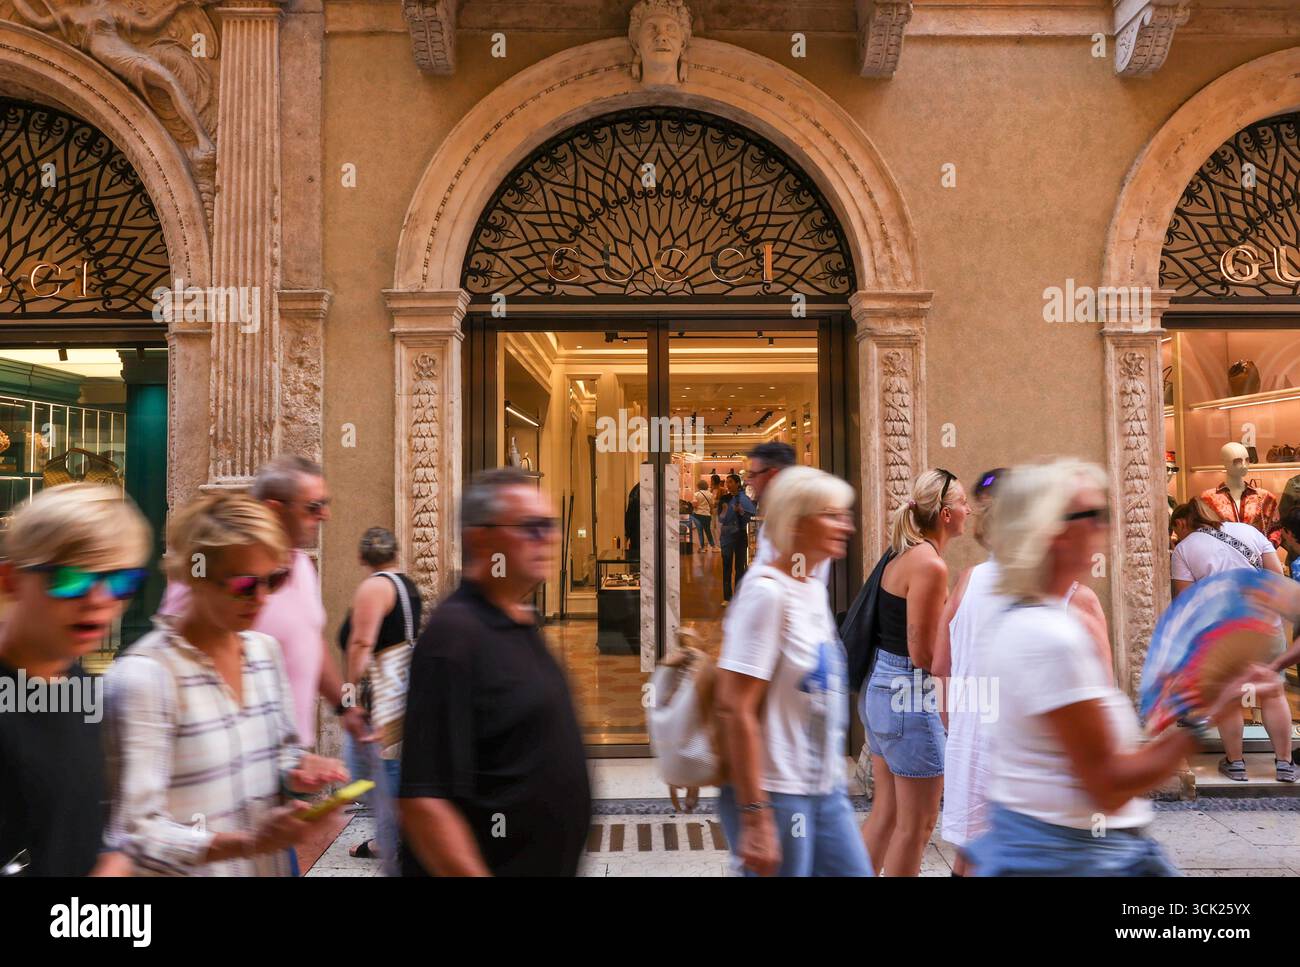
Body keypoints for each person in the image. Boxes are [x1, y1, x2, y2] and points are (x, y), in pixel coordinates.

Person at [966, 460, 1282, 875]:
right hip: (1076, 855)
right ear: (1054, 532)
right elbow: (1110, 784)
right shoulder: (1050, 637)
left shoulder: (1022, 618)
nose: (1108, 528)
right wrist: (1209, 711)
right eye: (1096, 516)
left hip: (1054, 844)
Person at [105, 494, 348, 875]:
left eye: (275, 579)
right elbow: (136, 833)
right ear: (195, 575)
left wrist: (297, 772)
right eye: (244, 584)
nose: (263, 597)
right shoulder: (146, 677)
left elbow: (279, 756)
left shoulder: (265, 653)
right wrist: (246, 843)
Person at [399, 468, 591, 876]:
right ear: (481, 537)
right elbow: (424, 801)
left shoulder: (518, 621)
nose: (550, 538)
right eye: (532, 528)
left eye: (549, 526)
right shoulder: (454, 638)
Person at [714, 466, 870, 876]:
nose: (846, 525)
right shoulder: (767, 594)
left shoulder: (812, 588)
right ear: (796, 522)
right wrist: (755, 814)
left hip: (825, 789)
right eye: (832, 515)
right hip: (777, 793)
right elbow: (735, 707)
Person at [156, 455, 367, 751]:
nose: (325, 515)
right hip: (228, 752)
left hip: (291, 757)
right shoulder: (212, 569)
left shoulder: (302, 566)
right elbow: (174, 649)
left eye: (325, 504)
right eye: (313, 507)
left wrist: (346, 706)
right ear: (274, 509)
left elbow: (309, 642)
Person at [0, 484, 150, 877]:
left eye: (121, 582)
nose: (100, 599)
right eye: (70, 578)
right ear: (11, 580)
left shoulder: (75, 678)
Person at [859, 468, 968, 876]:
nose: (968, 511)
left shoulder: (904, 553)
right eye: (961, 504)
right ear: (944, 514)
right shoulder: (929, 565)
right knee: (917, 826)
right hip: (909, 693)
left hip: (884, 689)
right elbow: (922, 654)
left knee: (887, 815)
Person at [1170, 499, 1295, 782]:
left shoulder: (1184, 550)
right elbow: (1276, 578)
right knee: (1272, 692)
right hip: (1264, 623)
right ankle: (1285, 764)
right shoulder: (1249, 532)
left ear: (1180, 523)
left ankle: (1236, 763)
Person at [339, 527, 422, 861]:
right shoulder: (408, 586)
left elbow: (361, 643)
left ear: (361, 557)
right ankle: (392, 838)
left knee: (362, 771)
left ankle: (399, 837)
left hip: (381, 697)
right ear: (396, 552)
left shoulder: (375, 586)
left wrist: (348, 696)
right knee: (382, 770)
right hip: (400, 691)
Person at [718, 472, 757, 604]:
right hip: (727, 534)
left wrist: (741, 512)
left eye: (730, 482)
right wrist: (725, 511)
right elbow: (720, 518)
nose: (728, 484)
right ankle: (727, 597)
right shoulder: (724, 498)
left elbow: (750, 517)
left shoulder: (745, 499)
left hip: (740, 535)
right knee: (727, 565)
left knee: (740, 566)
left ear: (736, 483)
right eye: (727, 482)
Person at [690, 478, 717, 551]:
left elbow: (695, 505)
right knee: (708, 531)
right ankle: (713, 546)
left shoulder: (696, 494)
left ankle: (702, 547)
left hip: (698, 514)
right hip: (707, 515)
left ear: (698, 486)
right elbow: (712, 505)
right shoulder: (710, 494)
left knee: (700, 531)